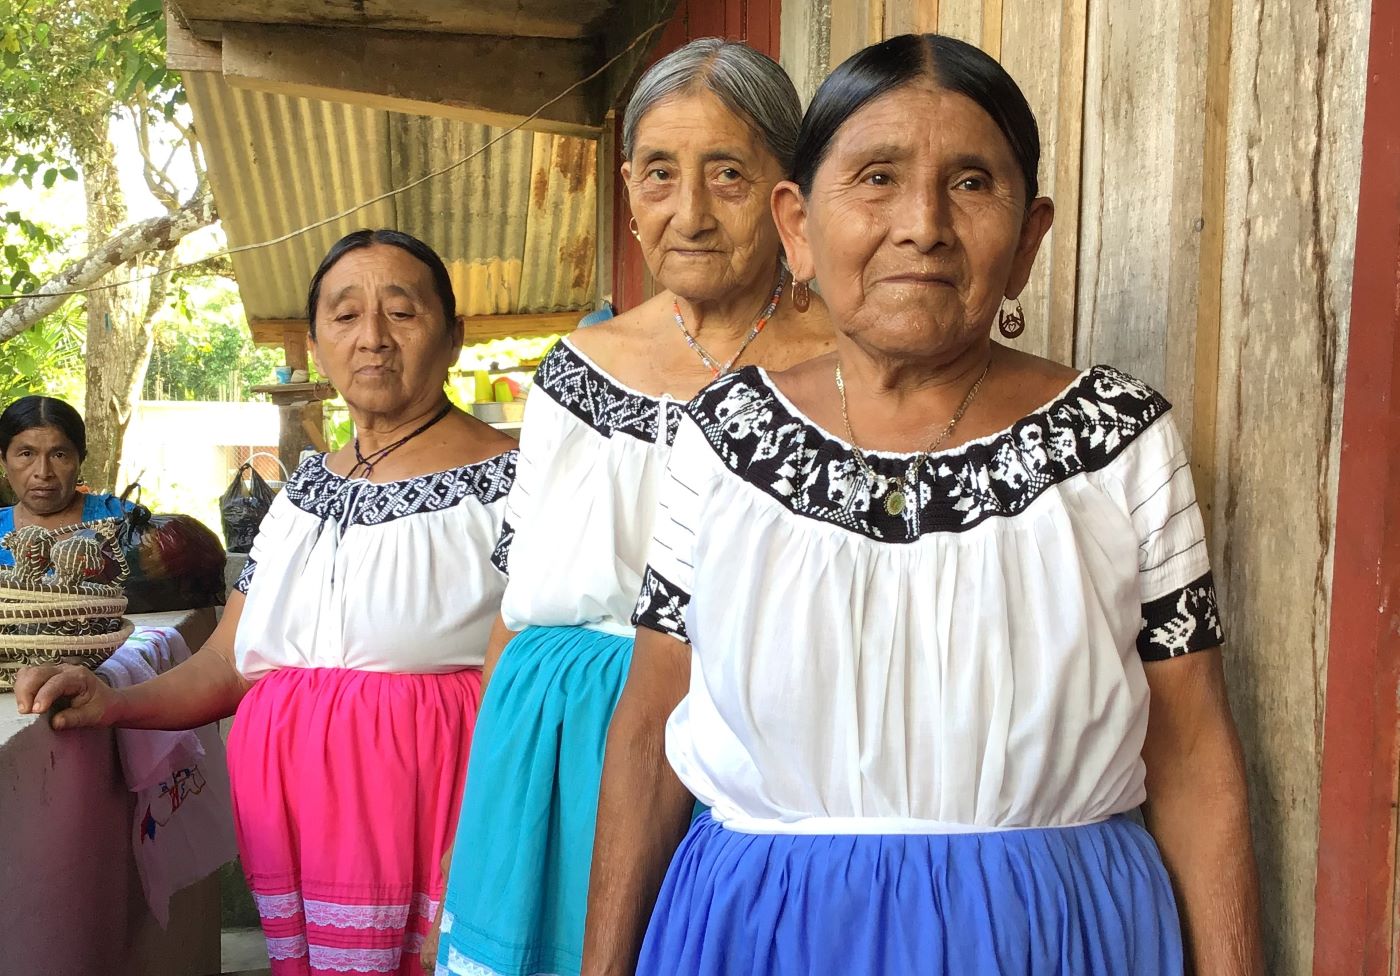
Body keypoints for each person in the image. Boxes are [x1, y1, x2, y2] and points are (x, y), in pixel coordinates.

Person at [582, 33, 1265, 976]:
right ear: (798, 226)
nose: (923, 225)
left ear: (1029, 238)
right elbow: (651, 727)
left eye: (973, 183)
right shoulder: (719, 438)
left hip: (1052, 938)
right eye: (875, 178)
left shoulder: (1119, 439)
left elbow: (1192, 749)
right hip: (765, 938)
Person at [434, 38, 835, 976]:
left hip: (746, 745)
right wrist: (479, 813)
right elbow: (516, 601)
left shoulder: (850, 364)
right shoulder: (579, 369)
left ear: (790, 192)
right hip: (551, 748)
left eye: (727, 174)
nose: (687, 212)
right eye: (659, 174)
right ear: (627, 188)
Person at [16, 229, 518, 976]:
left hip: (441, 819)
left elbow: (533, 679)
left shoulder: (513, 483)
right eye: (345, 316)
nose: (372, 338)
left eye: (402, 313)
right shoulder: (303, 494)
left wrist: (489, 821)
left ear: (454, 336)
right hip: (298, 831)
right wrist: (110, 699)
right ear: (316, 343)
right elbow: (227, 663)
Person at [0, 395, 131, 563]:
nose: (43, 472)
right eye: (27, 454)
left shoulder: (123, 521)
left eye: (59, 455)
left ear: (80, 459)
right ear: (4, 460)